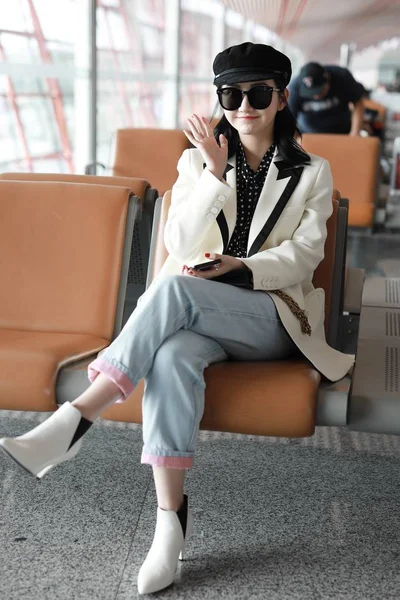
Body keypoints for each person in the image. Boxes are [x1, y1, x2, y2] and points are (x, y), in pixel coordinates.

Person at [0, 42, 354, 595]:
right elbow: (179, 242)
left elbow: (304, 257)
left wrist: (238, 265)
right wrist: (214, 176)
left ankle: (78, 418)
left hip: (273, 316)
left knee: (176, 289)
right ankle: (169, 523)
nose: (244, 106)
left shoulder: (312, 172)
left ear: (281, 98)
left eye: (258, 93)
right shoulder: (196, 162)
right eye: (231, 94)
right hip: (199, 315)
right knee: (170, 353)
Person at [288, 61, 364, 136]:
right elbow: (288, 120)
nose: (315, 96)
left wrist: (355, 132)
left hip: (342, 131)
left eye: (319, 91)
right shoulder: (294, 88)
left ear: (327, 79)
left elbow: (357, 102)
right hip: (308, 134)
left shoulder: (342, 76)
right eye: (311, 93)